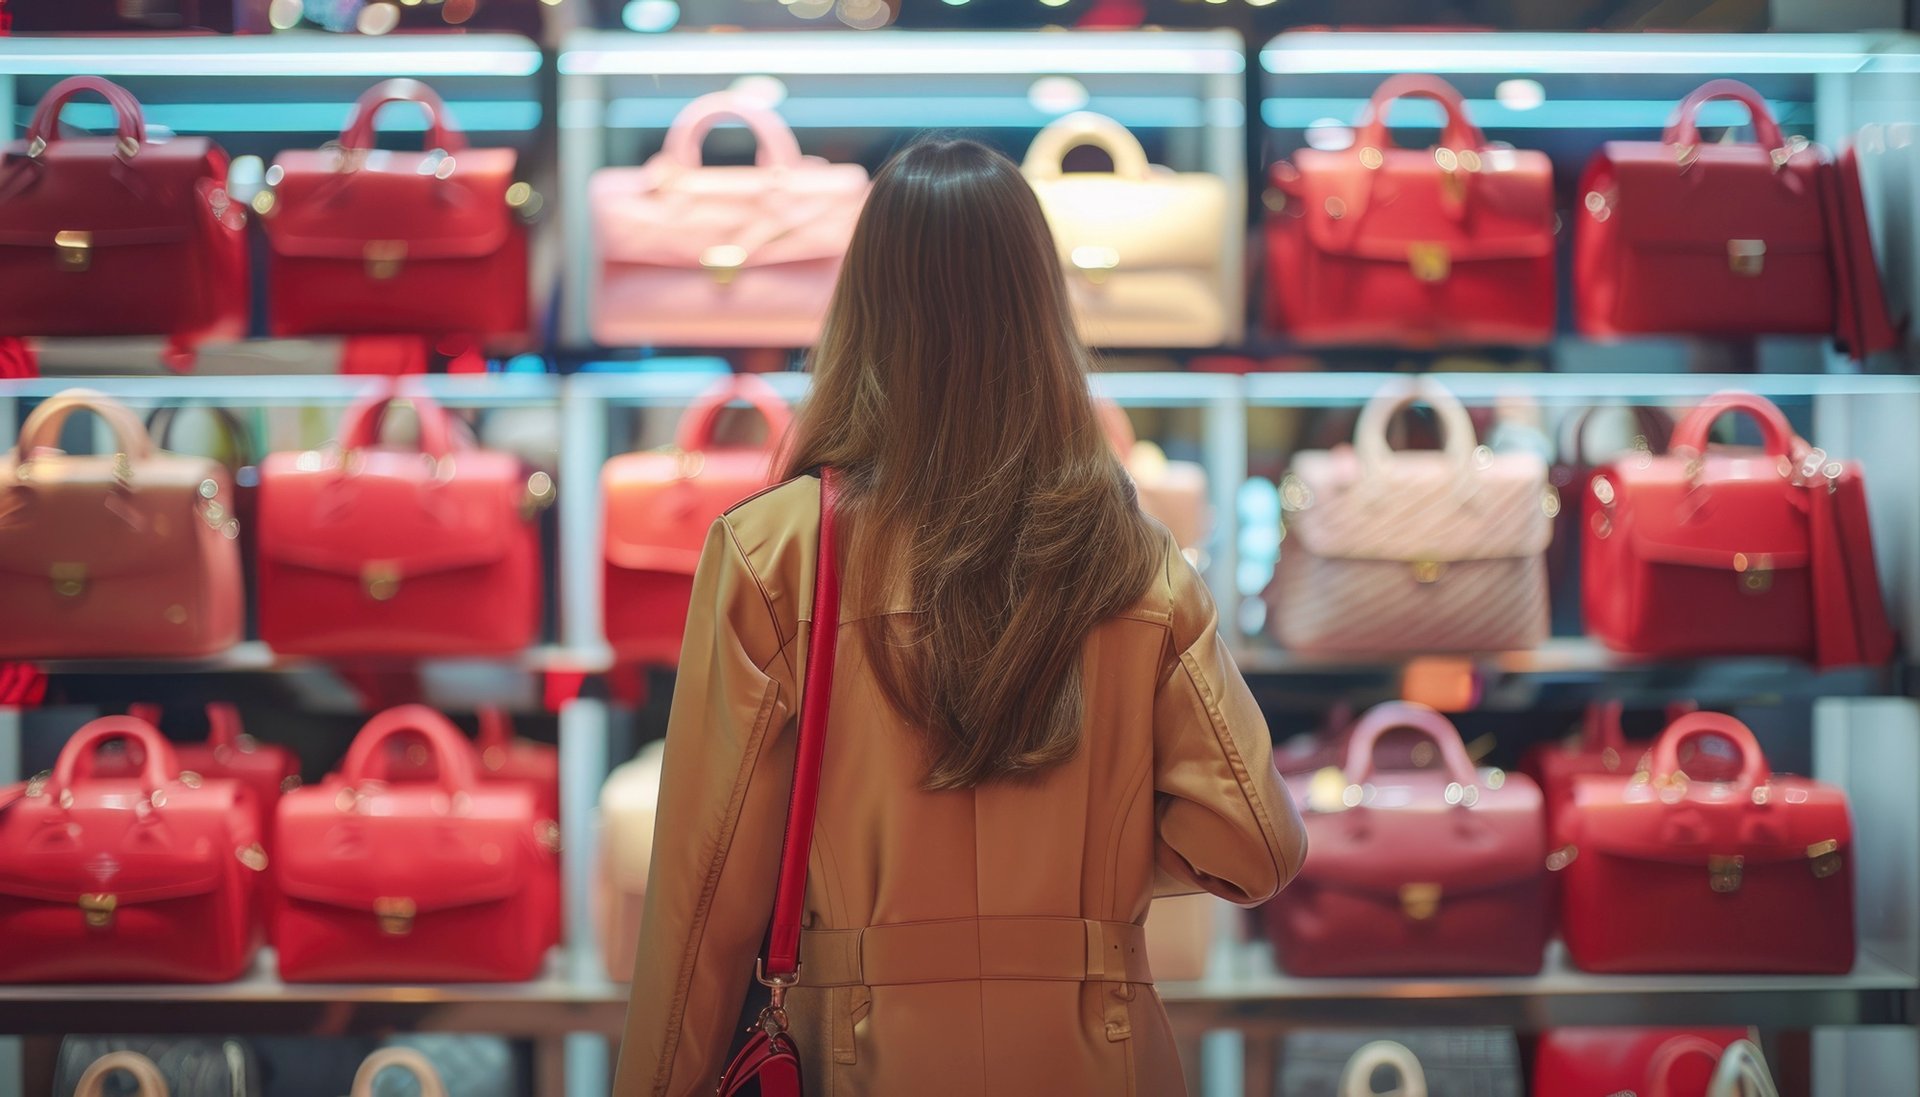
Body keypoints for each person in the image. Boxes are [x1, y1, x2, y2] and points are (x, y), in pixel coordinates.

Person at [615, 136, 1306, 1097]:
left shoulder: (776, 552)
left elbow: (702, 904)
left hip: (864, 1052)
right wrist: (1085, 863)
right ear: (1040, 311)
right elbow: (1255, 845)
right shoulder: (1132, 557)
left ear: (862, 309)